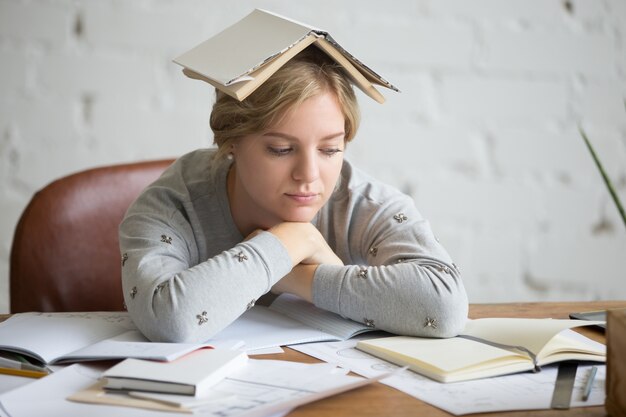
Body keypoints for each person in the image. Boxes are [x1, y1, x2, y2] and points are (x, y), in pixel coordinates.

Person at [119, 46, 468, 343]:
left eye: (330, 149)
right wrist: (289, 242)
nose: (310, 175)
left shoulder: (363, 201)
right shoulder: (173, 203)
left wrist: (289, 275)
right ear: (231, 143)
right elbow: (169, 319)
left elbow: (444, 307)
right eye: (282, 149)